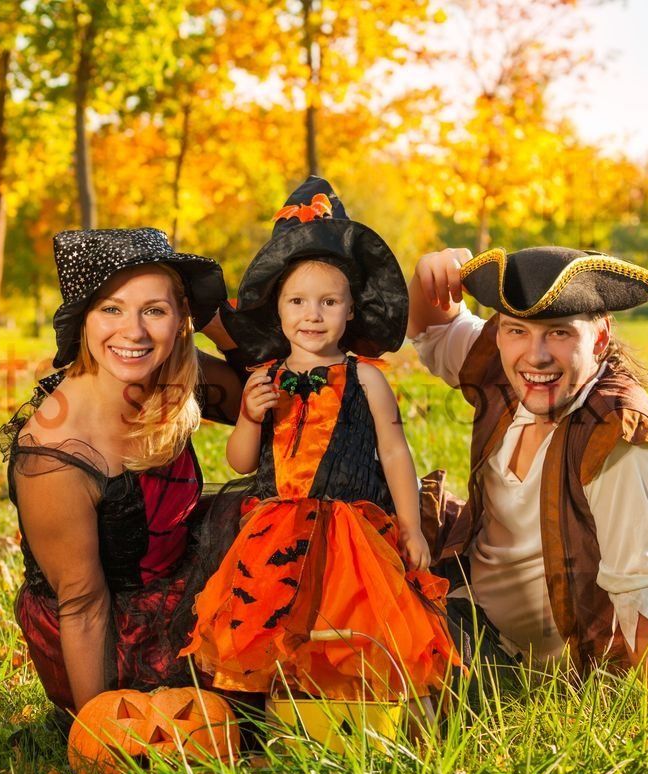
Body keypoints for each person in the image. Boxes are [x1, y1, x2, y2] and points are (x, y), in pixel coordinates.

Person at [181, 177, 461, 707]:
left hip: (352, 530)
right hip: (276, 530)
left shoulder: (366, 378)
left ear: (351, 309)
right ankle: (289, 719)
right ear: (278, 309)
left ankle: (360, 711)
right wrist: (249, 416)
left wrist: (410, 524)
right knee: (276, 622)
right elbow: (241, 462)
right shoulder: (265, 379)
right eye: (298, 301)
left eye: (329, 301)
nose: (312, 314)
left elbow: (394, 453)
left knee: (355, 621)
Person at [408, 245, 648, 714]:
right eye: (517, 330)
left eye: (559, 332)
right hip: (457, 593)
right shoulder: (508, 367)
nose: (536, 356)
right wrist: (428, 276)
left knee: (386, 686)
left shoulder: (616, 435)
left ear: (600, 338)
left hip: (515, 659)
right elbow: (431, 330)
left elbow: (641, 595)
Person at [0, 228, 252, 721]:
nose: (133, 332)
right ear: (84, 321)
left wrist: (218, 326)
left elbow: (278, 401)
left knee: (294, 526)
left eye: (153, 311)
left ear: (181, 319)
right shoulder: (54, 454)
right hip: (110, 638)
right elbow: (82, 607)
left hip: (179, 579)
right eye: (111, 309)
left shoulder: (171, 370)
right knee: (214, 720)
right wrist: (99, 730)